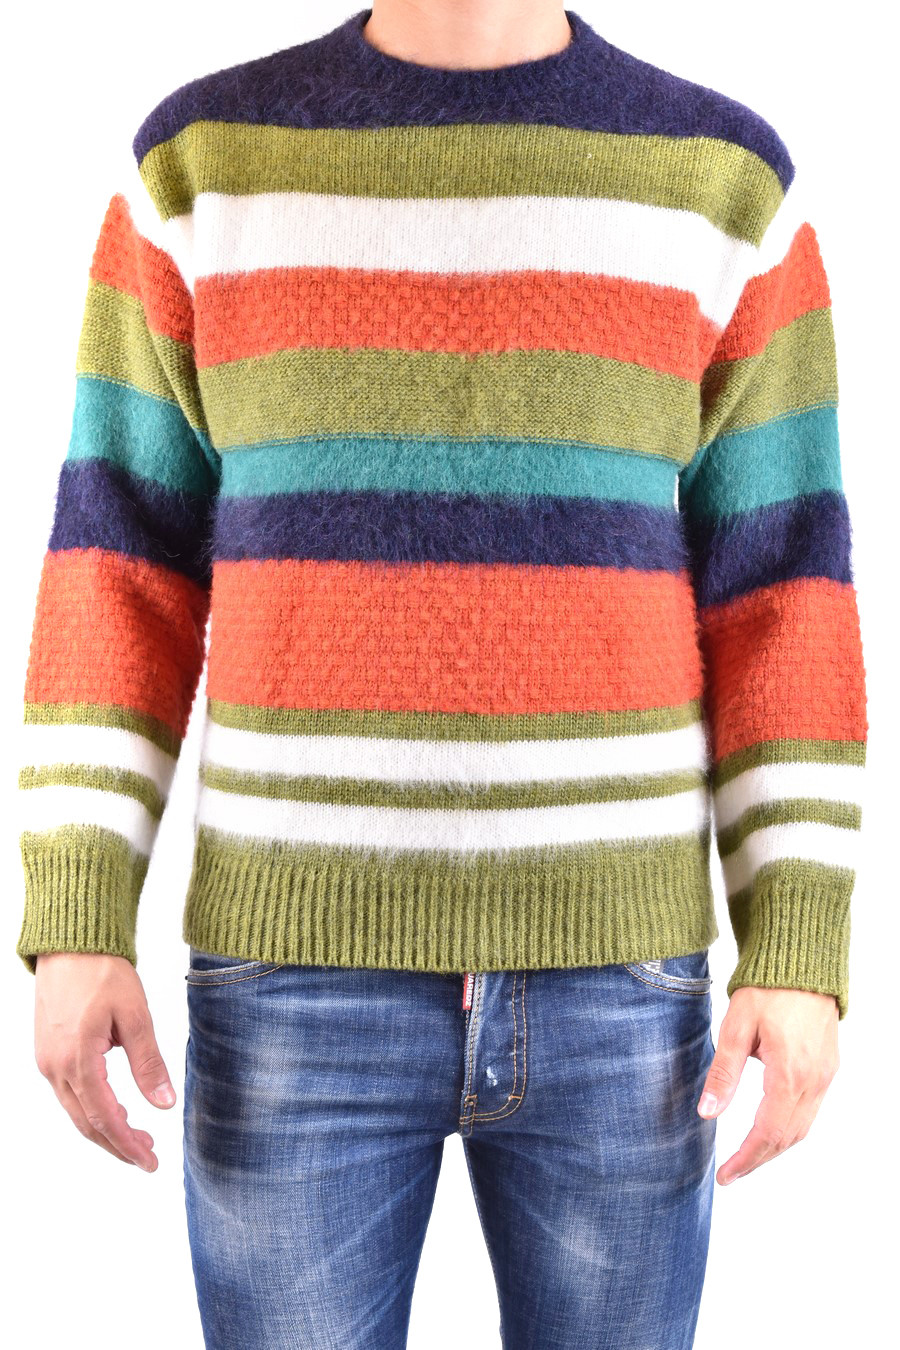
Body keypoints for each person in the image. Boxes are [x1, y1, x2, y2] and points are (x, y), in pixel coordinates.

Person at [19, 3, 867, 1346]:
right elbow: (117, 568)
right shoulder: (199, 168)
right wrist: (77, 912)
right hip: (292, 981)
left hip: (621, 988)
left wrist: (801, 945)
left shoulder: (724, 184)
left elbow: (785, 594)